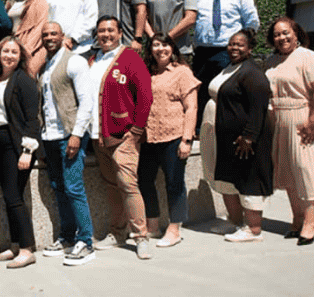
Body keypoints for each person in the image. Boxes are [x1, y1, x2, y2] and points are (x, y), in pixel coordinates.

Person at [264, 17, 314, 246]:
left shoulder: (309, 57)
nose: (282, 38)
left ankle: (310, 221)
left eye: (286, 33)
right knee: (288, 172)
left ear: (296, 34)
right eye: (277, 34)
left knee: (305, 170)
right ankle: (296, 219)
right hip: (279, 120)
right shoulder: (271, 61)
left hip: (302, 118)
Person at [87, 16, 153, 260]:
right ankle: (117, 232)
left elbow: (145, 94)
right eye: (101, 30)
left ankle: (141, 236)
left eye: (110, 30)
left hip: (123, 134)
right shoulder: (93, 60)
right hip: (99, 135)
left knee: (127, 184)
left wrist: (137, 129)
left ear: (119, 33)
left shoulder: (130, 58)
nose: (105, 34)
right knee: (112, 185)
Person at [37, 22, 97, 266]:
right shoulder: (45, 66)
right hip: (50, 136)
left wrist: (76, 134)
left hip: (69, 134)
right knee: (59, 187)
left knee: (73, 187)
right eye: (45, 34)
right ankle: (67, 237)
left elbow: (87, 101)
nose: (49, 37)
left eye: (54, 33)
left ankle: (86, 242)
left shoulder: (75, 61)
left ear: (63, 36)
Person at [208, 29, 274, 242]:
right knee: (229, 180)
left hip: (245, 141)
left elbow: (259, 107)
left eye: (240, 45)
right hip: (228, 139)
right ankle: (235, 223)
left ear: (250, 49)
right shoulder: (231, 68)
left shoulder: (252, 72)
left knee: (249, 180)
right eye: (231, 44)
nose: (234, 48)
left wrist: (249, 137)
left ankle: (253, 229)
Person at [0, 37, 42, 269]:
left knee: (14, 197)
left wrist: (27, 151)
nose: (9, 55)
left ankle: (27, 249)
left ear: (20, 57)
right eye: (5, 51)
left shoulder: (24, 81)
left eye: (14, 52)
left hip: (15, 145)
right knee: (10, 197)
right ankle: (15, 245)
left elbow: (31, 120)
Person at [137, 33, 199, 248]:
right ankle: (152, 226)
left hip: (173, 136)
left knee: (174, 183)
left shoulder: (182, 72)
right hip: (148, 137)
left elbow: (191, 107)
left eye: (165, 44)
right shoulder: (146, 72)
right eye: (155, 44)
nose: (160, 49)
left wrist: (187, 139)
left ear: (172, 48)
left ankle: (174, 229)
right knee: (145, 181)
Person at [193, 0, 259, 130]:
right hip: (203, 51)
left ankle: (227, 124)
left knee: (227, 89)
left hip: (227, 51)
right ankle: (201, 130)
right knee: (201, 90)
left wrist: (243, 46)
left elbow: (252, 22)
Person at [5, 0, 48, 75]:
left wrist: (25, 50)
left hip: (31, 50)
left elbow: (40, 28)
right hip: (12, 48)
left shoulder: (40, 1)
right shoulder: (11, 1)